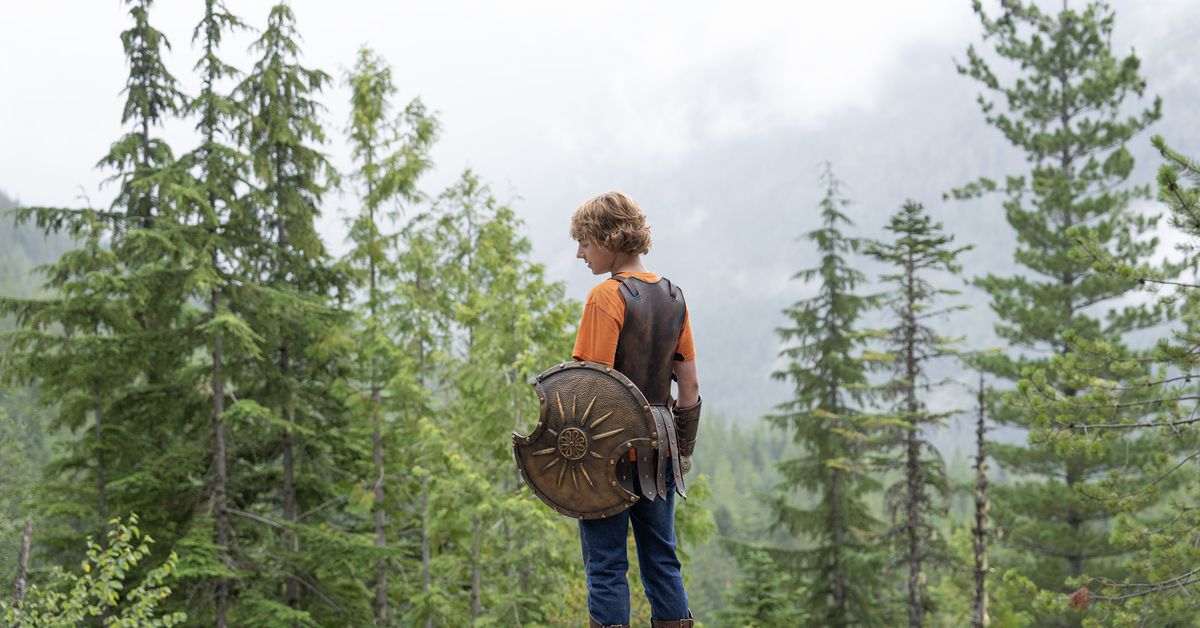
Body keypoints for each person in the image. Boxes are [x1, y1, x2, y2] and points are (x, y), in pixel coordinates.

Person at [569, 191, 702, 628]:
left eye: (586, 242)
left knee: (606, 567)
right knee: (662, 559)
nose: (581, 253)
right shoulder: (674, 296)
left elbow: (591, 389)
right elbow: (689, 386)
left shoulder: (605, 297)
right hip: (659, 449)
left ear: (610, 238)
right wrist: (681, 451)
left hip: (608, 455)